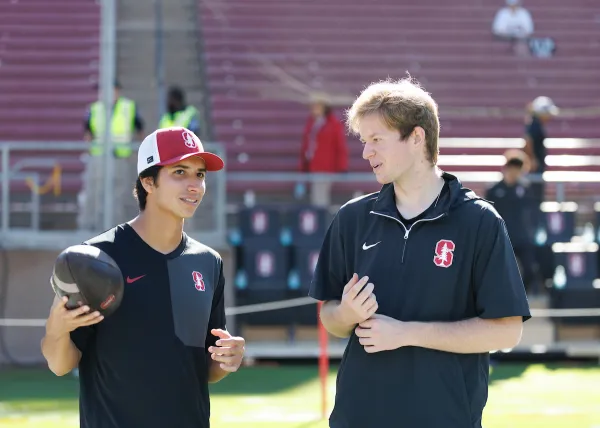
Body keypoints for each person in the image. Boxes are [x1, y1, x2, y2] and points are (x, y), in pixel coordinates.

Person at [308, 78, 531, 428]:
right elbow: (330, 317)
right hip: (359, 417)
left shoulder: (479, 221)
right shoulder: (352, 218)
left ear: (416, 138)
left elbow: (506, 331)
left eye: (377, 140)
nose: (366, 152)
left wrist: (407, 333)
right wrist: (347, 313)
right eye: (365, 142)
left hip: (446, 418)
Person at [41, 127, 245, 428]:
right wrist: (56, 329)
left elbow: (206, 369)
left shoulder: (209, 262)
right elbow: (60, 365)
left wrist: (227, 359)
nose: (194, 185)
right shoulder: (95, 259)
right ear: (148, 182)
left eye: (200, 175)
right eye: (180, 172)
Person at [79, 80, 145, 230]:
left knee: (117, 195)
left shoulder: (129, 107)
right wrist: (89, 151)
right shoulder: (94, 108)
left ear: (116, 90)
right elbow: (88, 131)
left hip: (119, 158)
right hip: (99, 158)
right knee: (95, 193)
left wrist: (138, 152)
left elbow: (140, 129)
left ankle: (116, 228)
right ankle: (92, 226)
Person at [485, 156, 537, 294]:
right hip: (502, 237)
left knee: (529, 269)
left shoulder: (524, 190)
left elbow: (531, 213)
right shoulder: (494, 190)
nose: (515, 173)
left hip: (522, 237)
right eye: (512, 169)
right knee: (499, 271)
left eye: (518, 170)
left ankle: (520, 296)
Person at [299, 93, 348, 207]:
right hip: (312, 166)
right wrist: (303, 167)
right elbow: (306, 146)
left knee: (319, 198)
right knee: (316, 196)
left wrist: (342, 167)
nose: (314, 108)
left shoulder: (333, 124)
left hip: (325, 167)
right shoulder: (311, 123)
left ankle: (322, 222)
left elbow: (340, 147)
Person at [524, 95, 559, 230]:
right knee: (534, 200)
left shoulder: (534, 124)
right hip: (535, 169)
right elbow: (528, 141)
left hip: (537, 168)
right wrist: (532, 159)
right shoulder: (534, 125)